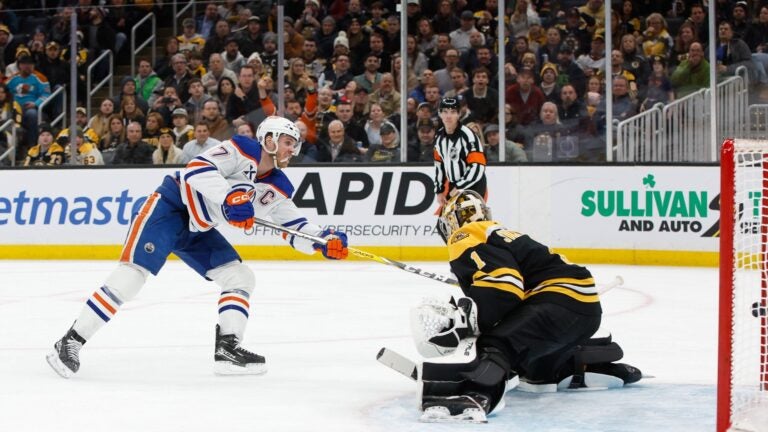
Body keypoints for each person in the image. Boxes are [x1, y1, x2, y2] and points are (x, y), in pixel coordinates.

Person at [46, 116, 350, 379]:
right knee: (132, 276)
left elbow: (292, 225)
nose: (292, 149)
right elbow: (196, 168)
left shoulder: (279, 185)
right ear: (268, 138)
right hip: (170, 207)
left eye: (294, 144)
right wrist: (230, 198)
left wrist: (323, 241)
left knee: (240, 277)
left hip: (199, 227)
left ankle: (227, 348)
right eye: (287, 141)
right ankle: (70, 341)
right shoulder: (242, 148)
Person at [412, 190, 643, 422]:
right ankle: (565, 370)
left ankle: (477, 393)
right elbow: (513, 290)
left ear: (452, 221)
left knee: (496, 344)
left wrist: (471, 319)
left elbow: (503, 286)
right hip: (584, 308)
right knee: (528, 364)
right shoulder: (496, 232)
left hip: (556, 301)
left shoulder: (466, 234)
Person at [432, 97, 487, 209]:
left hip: (473, 185)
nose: (448, 116)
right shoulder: (439, 137)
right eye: (445, 112)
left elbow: (478, 166)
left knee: (468, 222)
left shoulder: (468, 136)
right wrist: (439, 190)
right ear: (440, 113)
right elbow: (439, 165)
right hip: (454, 185)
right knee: (447, 223)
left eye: (452, 112)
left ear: (458, 114)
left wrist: (460, 187)